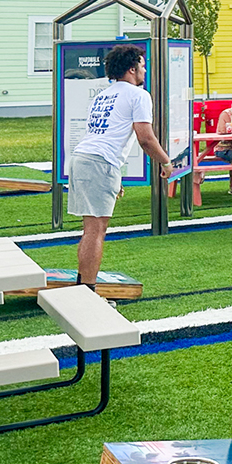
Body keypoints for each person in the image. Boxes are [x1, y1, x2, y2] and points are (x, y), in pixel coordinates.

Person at [68, 44, 172, 289]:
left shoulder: (102, 95)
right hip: (98, 163)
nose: (145, 71)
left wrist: (115, 176)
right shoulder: (139, 95)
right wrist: (166, 162)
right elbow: (145, 137)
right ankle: (87, 292)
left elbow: (102, 134)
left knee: (90, 228)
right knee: (96, 230)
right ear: (132, 69)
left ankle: (83, 286)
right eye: (143, 66)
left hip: (83, 158)